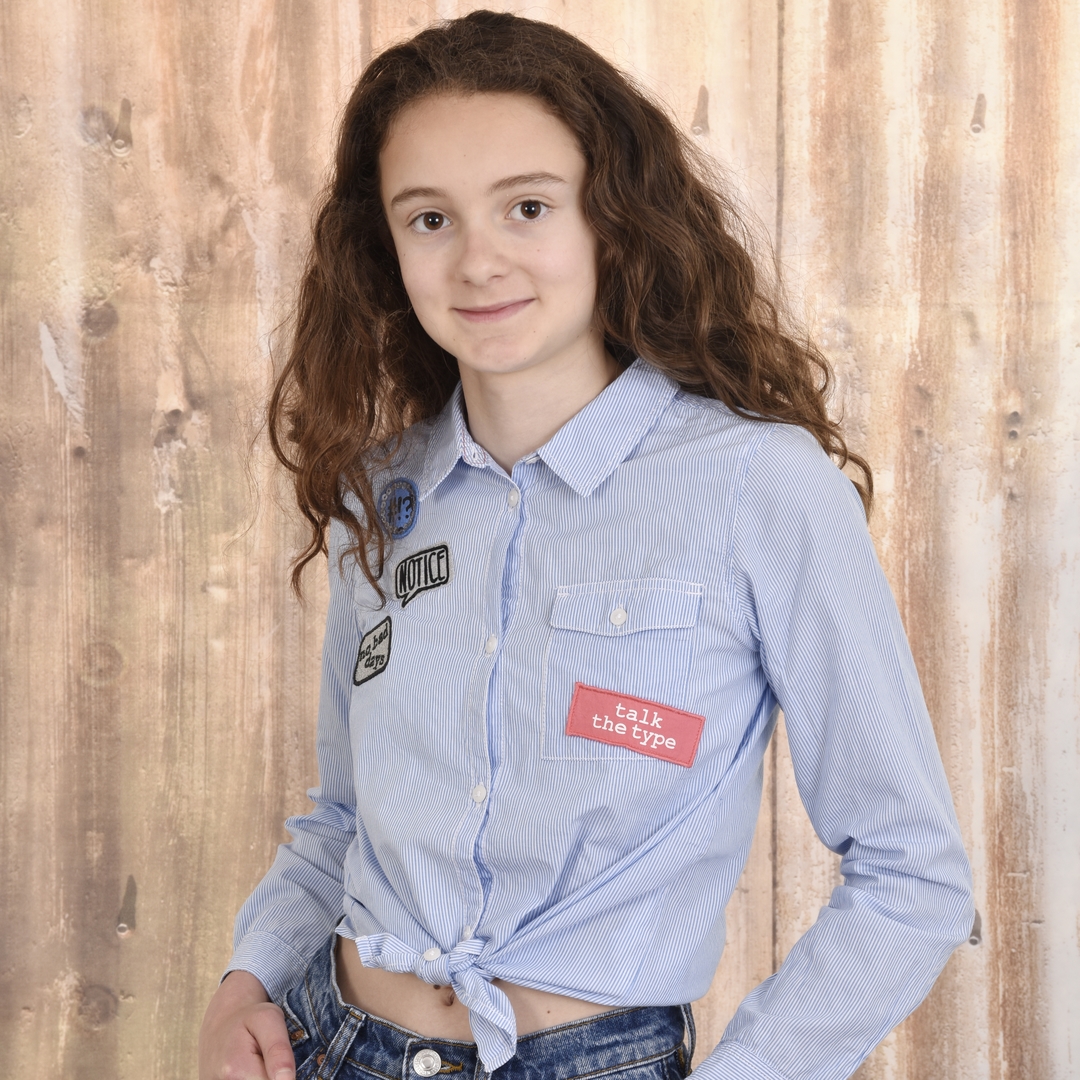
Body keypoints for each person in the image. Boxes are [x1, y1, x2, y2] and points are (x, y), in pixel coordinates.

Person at [198, 11, 974, 1080]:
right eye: (430, 218)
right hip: (330, 1046)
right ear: (387, 246)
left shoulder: (759, 486)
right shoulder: (377, 499)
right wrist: (244, 983)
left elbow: (912, 872)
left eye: (528, 206)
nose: (479, 262)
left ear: (614, 217)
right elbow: (341, 819)